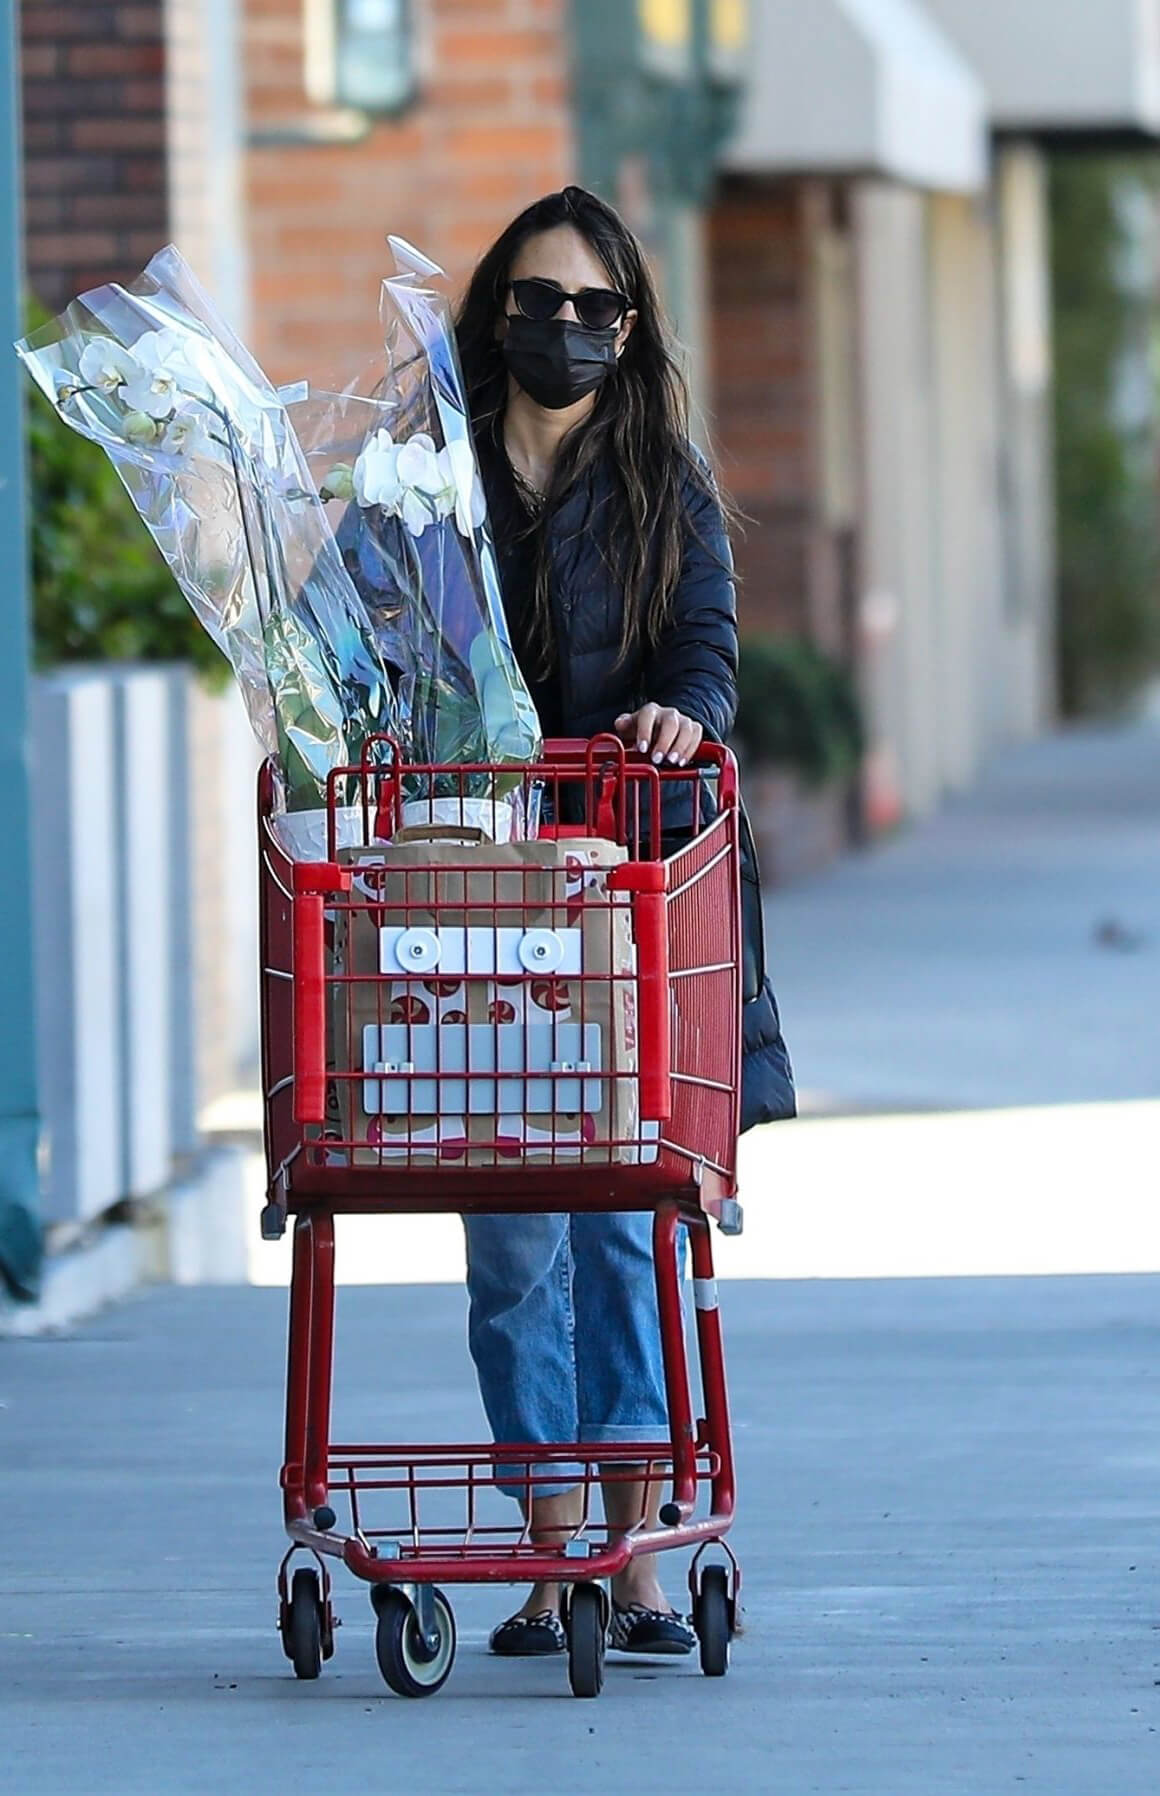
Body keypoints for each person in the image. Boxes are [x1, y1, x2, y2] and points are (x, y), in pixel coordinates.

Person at [452, 186, 794, 1659]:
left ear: (631, 328)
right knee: (511, 1244)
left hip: (627, 898)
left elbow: (709, 653)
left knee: (622, 1219)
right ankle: (546, 1553)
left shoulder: (666, 483)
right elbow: (367, 656)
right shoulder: (428, 483)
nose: (567, 331)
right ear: (495, 313)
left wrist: (677, 713)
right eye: (541, 303)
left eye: (597, 310)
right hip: (464, 907)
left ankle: (636, 1551)